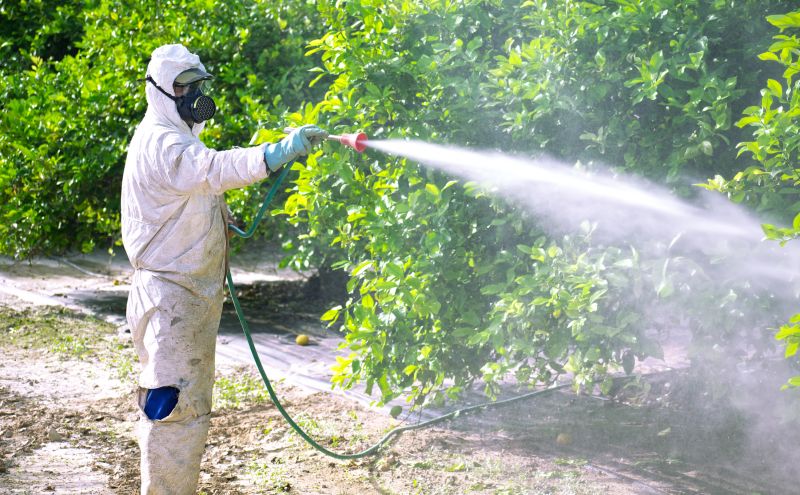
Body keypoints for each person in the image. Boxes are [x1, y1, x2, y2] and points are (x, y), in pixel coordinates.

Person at [121, 43, 327, 494]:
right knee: (173, 409)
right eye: (184, 88)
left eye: (199, 87)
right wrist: (277, 152)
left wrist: (217, 216)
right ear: (161, 92)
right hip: (171, 297)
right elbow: (213, 170)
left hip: (184, 296)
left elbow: (191, 189)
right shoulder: (164, 141)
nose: (195, 96)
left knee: (183, 407)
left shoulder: (177, 136)